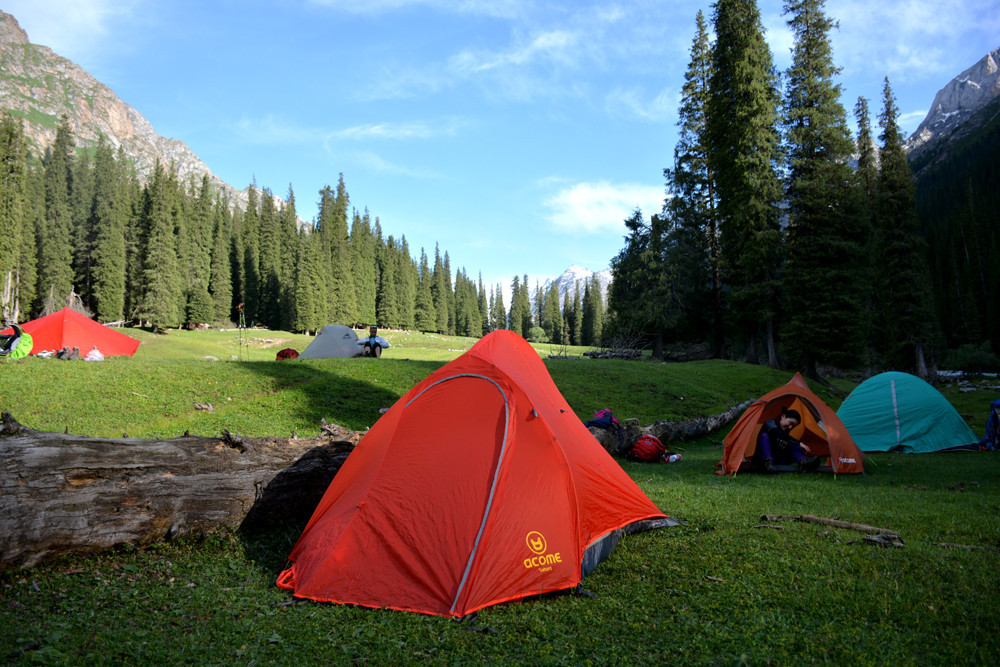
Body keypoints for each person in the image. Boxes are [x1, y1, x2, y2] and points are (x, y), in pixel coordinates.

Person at [754, 407, 821, 473]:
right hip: (761, 458)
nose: (790, 427)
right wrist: (799, 443)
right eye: (791, 423)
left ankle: (804, 463)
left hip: (777, 459)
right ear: (783, 416)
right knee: (764, 436)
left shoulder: (786, 429)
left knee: (791, 443)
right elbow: (777, 433)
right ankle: (767, 463)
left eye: (793, 426)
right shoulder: (770, 423)